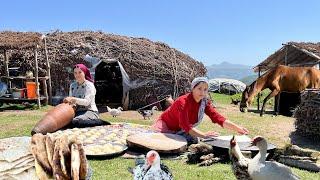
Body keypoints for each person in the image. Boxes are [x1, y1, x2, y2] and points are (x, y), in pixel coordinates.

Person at [152, 77, 249, 143]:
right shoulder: (183, 102)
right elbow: (185, 125)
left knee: (193, 140)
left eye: (205, 89)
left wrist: (238, 128)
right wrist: (204, 135)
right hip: (165, 127)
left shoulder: (204, 102)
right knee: (159, 143)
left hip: (181, 130)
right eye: (199, 88)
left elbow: (217, 118)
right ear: (193, 88)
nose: (202, 92)